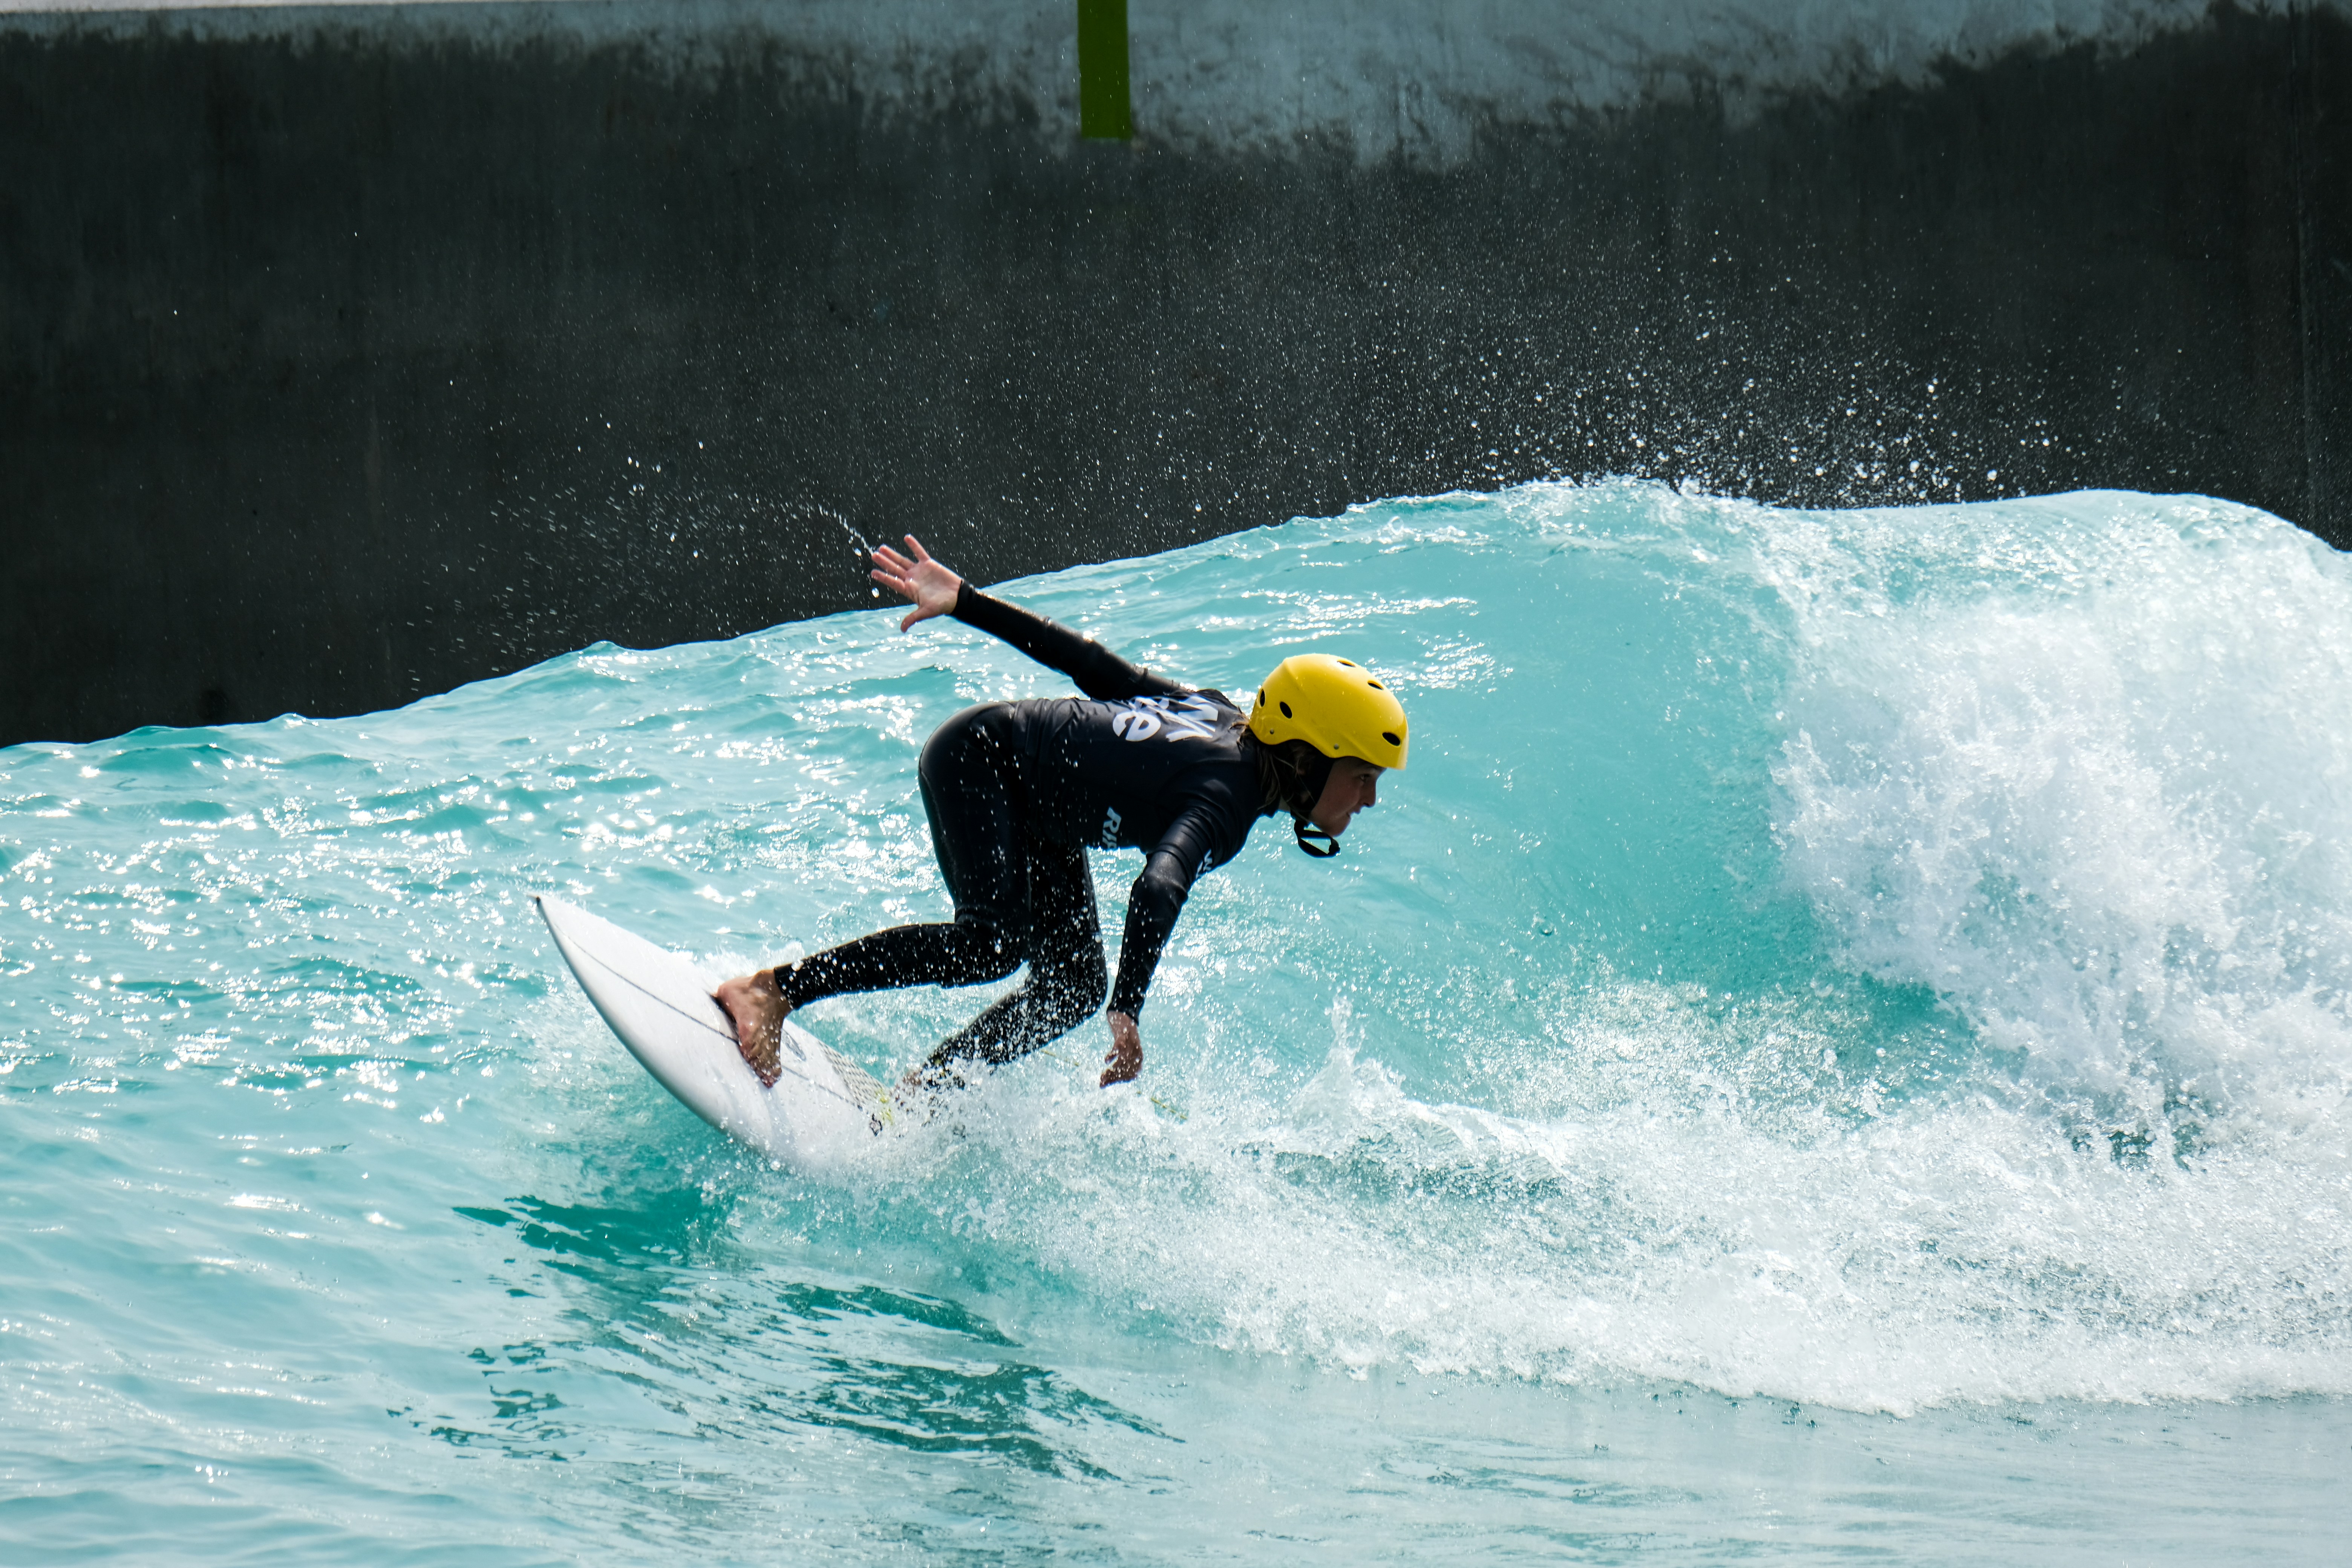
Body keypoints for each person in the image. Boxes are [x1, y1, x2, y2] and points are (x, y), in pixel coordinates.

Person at [714, 535, 1409, 1092]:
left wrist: (965, 601)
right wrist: (1129, 1006)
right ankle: (772, 990)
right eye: (1360, 776)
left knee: (1071, 985)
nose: (1369, 799)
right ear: (1306, 757)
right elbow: (1160, 885)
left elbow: (1097, 667)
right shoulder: (1225, 798)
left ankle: (927, 1092)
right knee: (990, 944)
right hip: (983, 761)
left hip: (1039, 805)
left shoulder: (1221, 718)